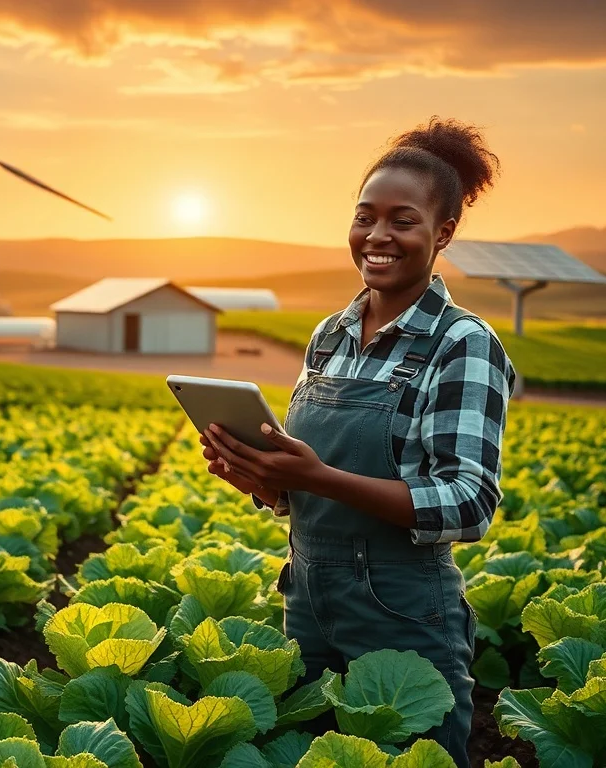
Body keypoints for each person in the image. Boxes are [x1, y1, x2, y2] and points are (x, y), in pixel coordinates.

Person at [199, 116, 517, 768]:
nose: (377, 236)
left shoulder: (464, 343)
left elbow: (467, 502)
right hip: (308, 607)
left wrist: (318, 478)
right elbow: (310, 485)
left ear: (443, 233)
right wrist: (264, 481)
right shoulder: (329, 335)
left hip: (402, 620)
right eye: (365, 216)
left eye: (403, 220)